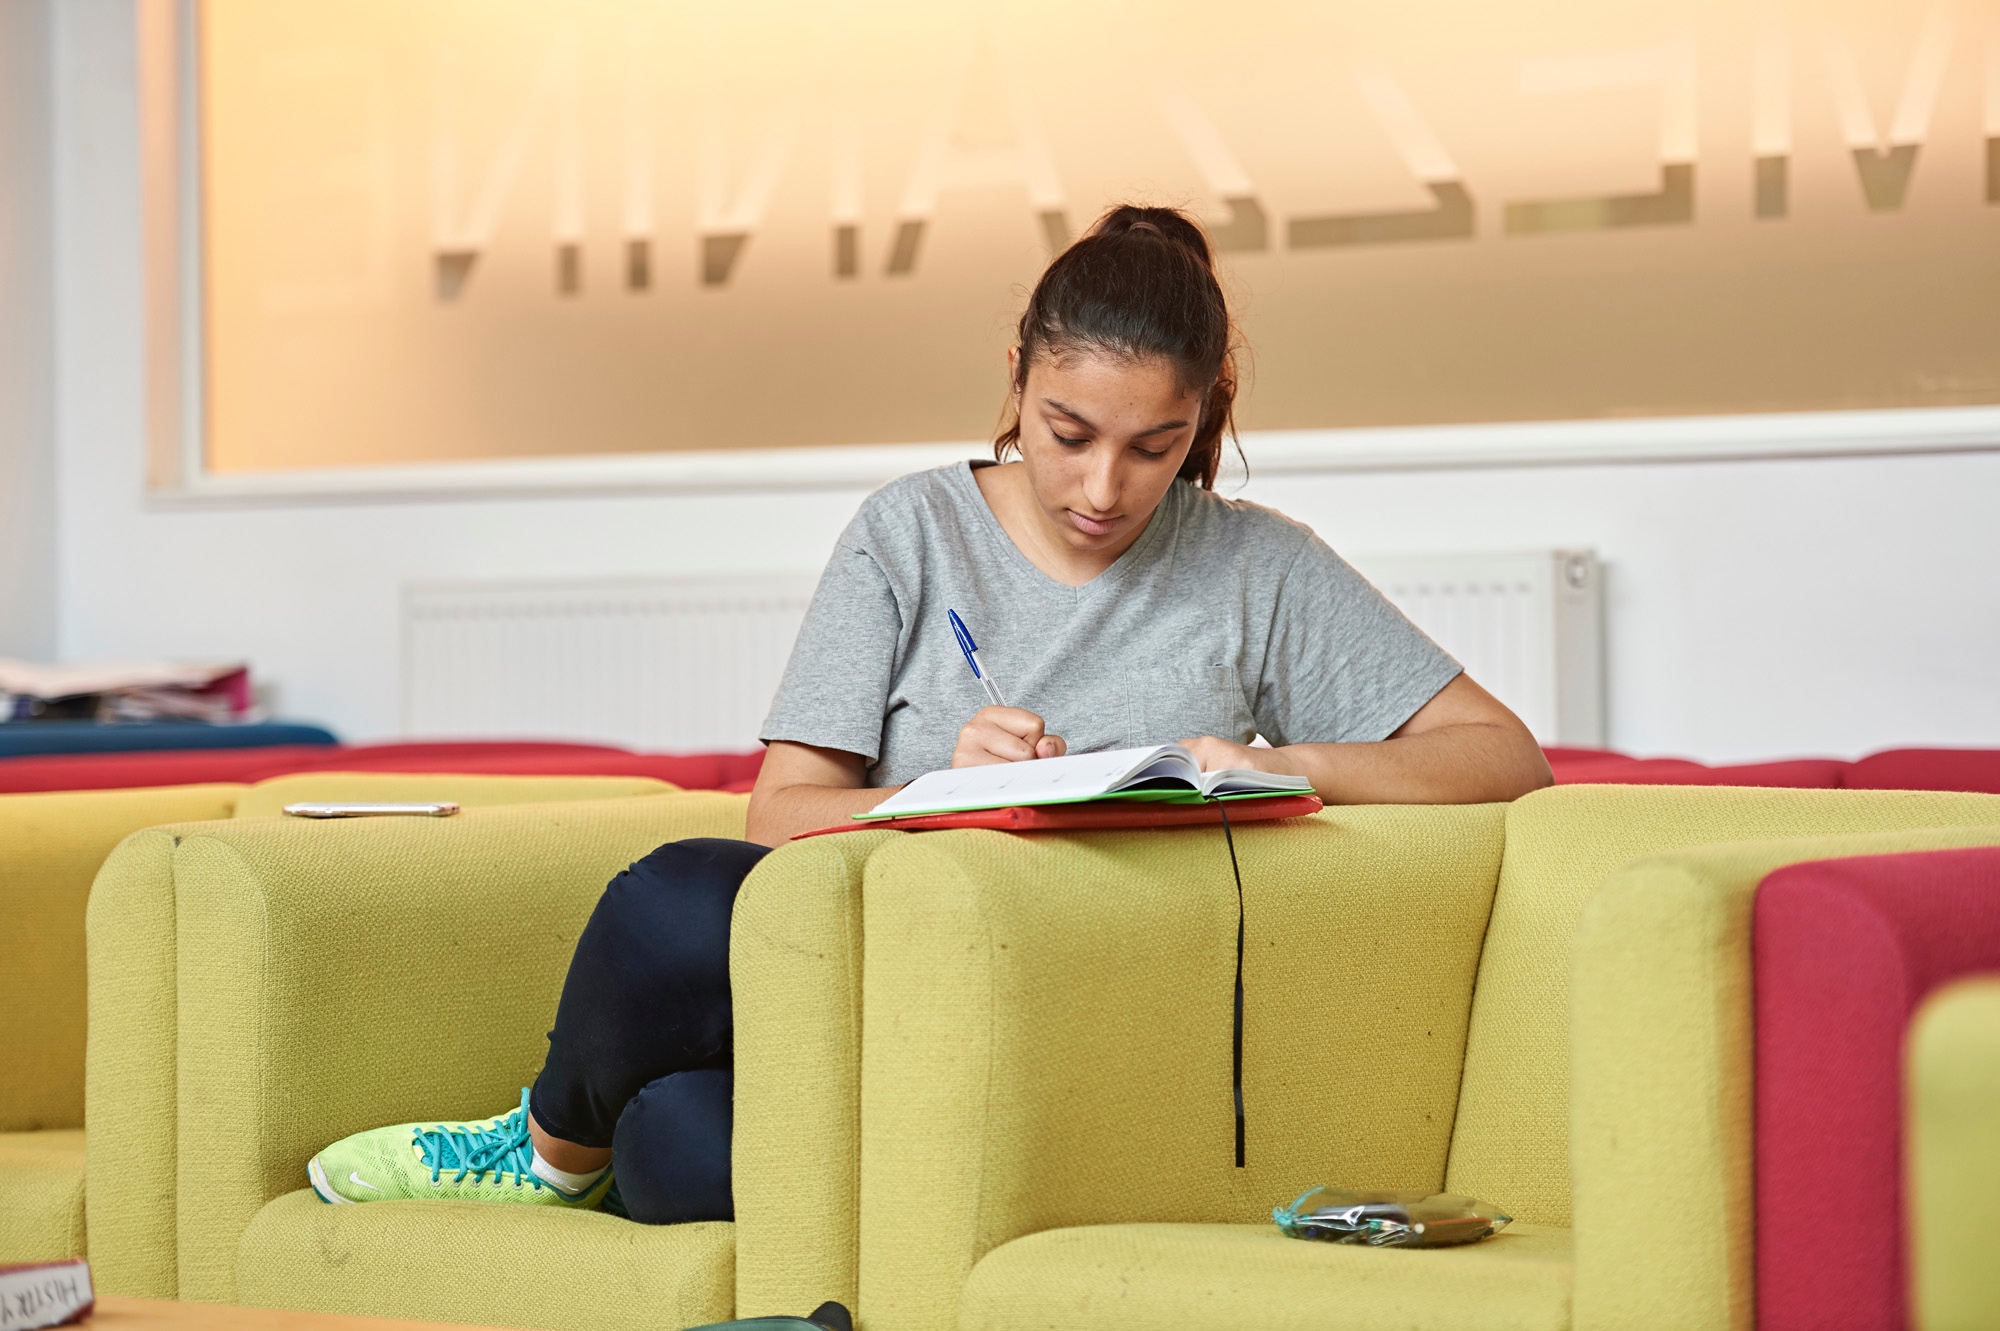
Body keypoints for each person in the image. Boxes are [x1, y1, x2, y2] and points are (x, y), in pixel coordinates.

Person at [305, 204, 1552, 1222]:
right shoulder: (909, 531)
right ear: (1015, 376)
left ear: (1202, 422)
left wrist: (1284, 762)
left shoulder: (1257, 565)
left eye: (1154, 447)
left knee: (674, 1138)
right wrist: (939, 797)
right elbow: (778, 815)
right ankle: (546, 1144)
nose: (1101, 486)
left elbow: (1504, 756)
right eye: (1066, 433)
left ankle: (572, 1146)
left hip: (1085, 1021)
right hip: (878, 993)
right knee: (673, 926)